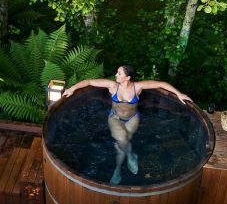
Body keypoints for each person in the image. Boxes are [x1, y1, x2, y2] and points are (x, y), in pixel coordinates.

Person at [63, 66, 193, 185]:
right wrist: (72, 88)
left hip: (132, 119)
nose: (116, 75)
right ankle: (127, 159)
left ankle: (121, 165)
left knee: (122, 144)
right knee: (122, 140)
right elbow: (90, 82)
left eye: (119, 73)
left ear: (128, 77)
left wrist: (179, 94)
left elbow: (161, 84)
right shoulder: (113, 86)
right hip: (115, 118)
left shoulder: (138, 87)